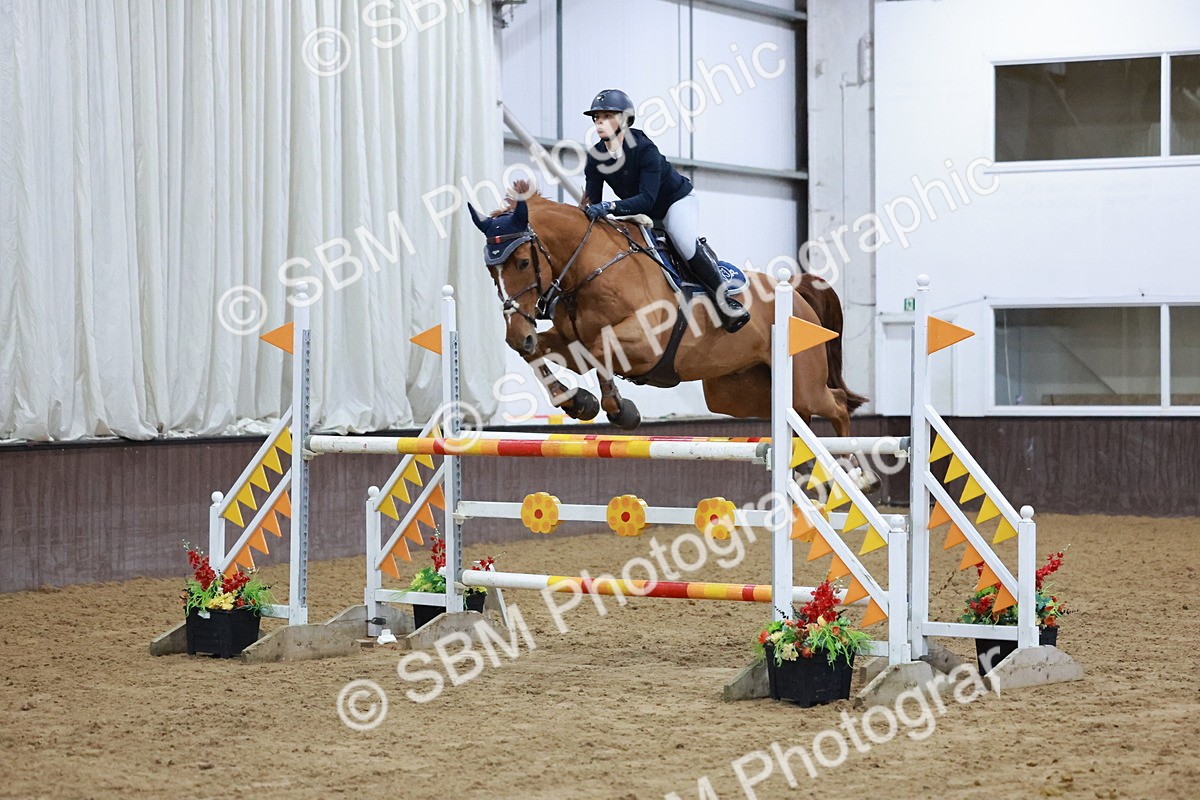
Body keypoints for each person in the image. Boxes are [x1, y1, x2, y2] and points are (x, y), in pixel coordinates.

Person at [581, 89, 749, 333]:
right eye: (596, 118)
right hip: (637, 211)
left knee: (682, 240)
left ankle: (725, 301)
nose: (599, 123)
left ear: (625, 120)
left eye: (607, 116)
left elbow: (647, 199)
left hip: (674, 203)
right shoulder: (596, 157)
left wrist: (609, 207)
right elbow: (591, 200)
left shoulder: (644, 148)